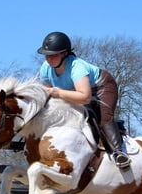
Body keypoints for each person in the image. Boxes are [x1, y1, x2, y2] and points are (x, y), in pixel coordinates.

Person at [36, 31, 131, 169]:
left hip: (101, 86)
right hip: (75, 92)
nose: (49, 59)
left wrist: (58, 92)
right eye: (47, 55)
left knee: (103, 115)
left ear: (65, 53)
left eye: (54, 55)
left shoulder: (77, 67)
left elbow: (85, 97)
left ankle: (119, 153)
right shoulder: (46, 68)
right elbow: (47, 93)